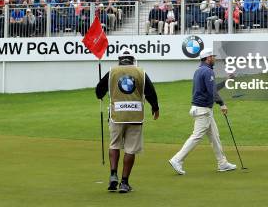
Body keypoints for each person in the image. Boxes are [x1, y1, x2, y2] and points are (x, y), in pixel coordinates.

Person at [95, 49, 160, 193]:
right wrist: (155, 108)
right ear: (132, 59)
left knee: (114, 145)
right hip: (135, 116)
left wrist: (100, 94)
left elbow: (99, 89)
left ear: (120, 59)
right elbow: (150, 92)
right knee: (130, 149)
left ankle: (113, 175)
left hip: (116, 116)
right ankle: (124, 183)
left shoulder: (112, 71)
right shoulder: (140, 72)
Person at [169, 49, 236, 175]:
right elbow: (212, 92)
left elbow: (212, 88)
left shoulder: (200, 70)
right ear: (208, 58)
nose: (214, 59)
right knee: (196, 137)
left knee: (215, 137)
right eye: (213, 57)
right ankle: (177, 159)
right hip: (203, 110)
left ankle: (222, 163)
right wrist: (222, 104)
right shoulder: (207, 71)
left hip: (203, 110)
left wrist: (227, 80)